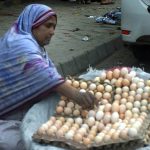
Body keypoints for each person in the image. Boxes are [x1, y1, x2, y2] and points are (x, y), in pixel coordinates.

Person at [0, 4, 96, 150]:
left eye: (54, 27)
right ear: (33, 24)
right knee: (20, 143)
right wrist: (77, 95)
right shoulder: (19, 43)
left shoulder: (34, 45)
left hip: (18, 107)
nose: (52, 32)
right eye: (48, 25)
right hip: (5, 113)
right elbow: (43, 73)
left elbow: (49, 74)